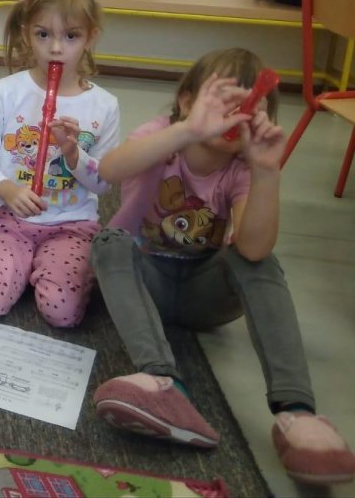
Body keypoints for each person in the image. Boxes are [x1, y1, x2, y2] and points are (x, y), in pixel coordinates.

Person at [91, 48, 355, 486]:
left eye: (253, 107)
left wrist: (267, 171)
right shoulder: (162, 134)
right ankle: (161, 380)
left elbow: (253, 249)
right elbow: (110, 170)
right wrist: (186, 130)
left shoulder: (242, 166)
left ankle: (297, 413)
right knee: (108, 241)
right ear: (187, 100)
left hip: (204, 294)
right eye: (225, 101)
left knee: (259, 259)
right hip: (146, 282)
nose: (236, 115)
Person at [0, 0, 119, 327]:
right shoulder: (5, 93)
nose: (56, 49)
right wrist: (7, 189)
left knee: (64, 314)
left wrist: (73, 154)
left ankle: (32, 267)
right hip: (8, 219)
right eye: (43, 34)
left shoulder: (105, 106)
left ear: (90, 37)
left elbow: (104, 183)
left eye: (71, 36)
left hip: (71, 224)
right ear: (27, 34)